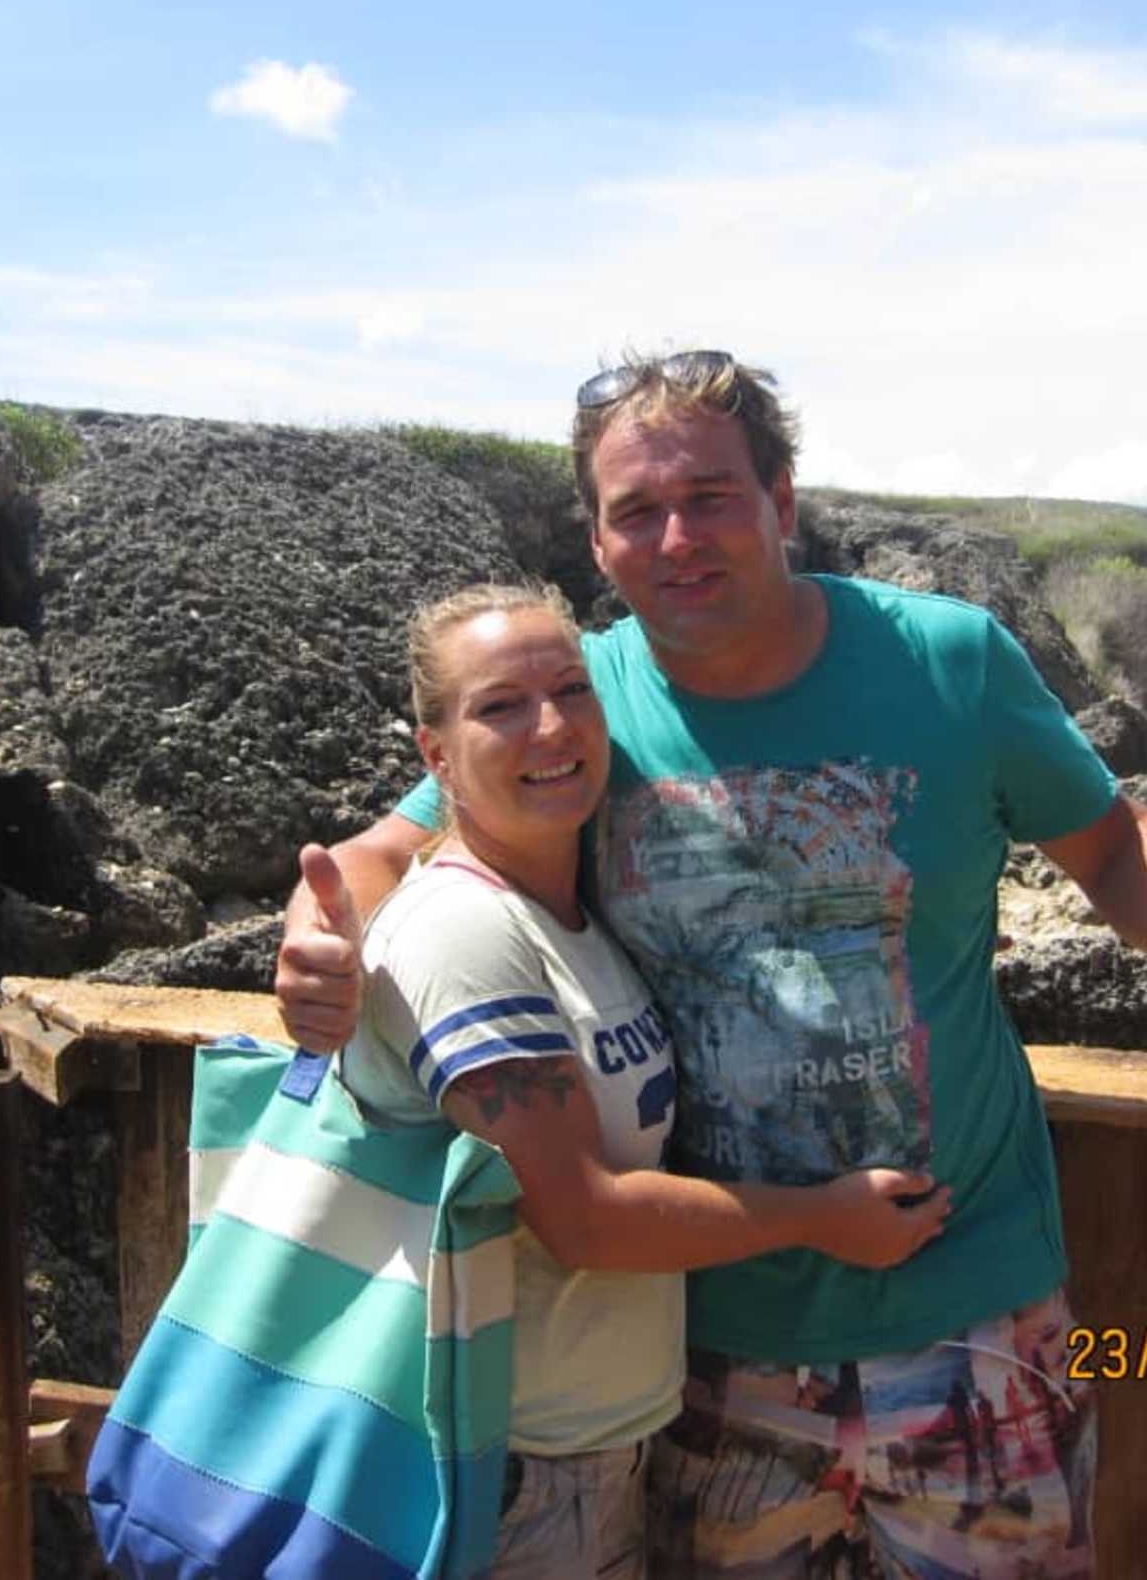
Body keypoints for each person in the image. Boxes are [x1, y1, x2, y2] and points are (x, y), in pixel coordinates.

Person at [276, 350, 1147, 1577]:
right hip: (703, 1352)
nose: (678, 538)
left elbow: (1112, 844)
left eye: (711, 497)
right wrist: (323, 938)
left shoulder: (946, 660)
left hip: (971, 1313)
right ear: (597, 541)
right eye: (638, 511)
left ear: (782, 500)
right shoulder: (579, 704)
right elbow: (393, 849)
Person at [337, 580, 949, 1580]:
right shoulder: (464, 931)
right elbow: (586, 1219)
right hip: (516, 1472)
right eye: (501, 706)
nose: (550, 727)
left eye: (571, 691)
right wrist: (824, 1217)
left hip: (594, 1454)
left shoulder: (573, 919)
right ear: (436, 755)